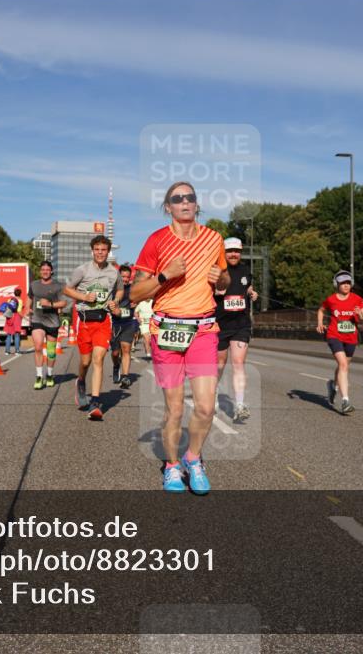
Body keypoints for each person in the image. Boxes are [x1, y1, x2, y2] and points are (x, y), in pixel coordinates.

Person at [131, 181, 229, 494]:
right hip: (168, 330)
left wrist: (221, 277)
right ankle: (172, 466)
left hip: (202, 330)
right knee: (174, 410)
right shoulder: (156, 241)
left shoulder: (214, 239)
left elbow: (224, 279)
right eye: (177, 198)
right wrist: (164, 275)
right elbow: (134, 293)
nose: (185, 202)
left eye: (190, 197)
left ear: (197, 204)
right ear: (168, 207)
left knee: (205, 408)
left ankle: (193, 458)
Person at [63, 236, 123, 420]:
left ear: (108, 251)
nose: (100, 252)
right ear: (92, 250)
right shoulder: (82, 270)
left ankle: (95, 402)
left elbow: (120, 289)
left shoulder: (114, 273)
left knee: (99, 359)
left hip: (103, 320)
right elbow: (67, 289)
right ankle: (81, 381)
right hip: (84, 321)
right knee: (86, 362)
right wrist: (83, 297)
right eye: (97, 249)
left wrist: (115, 301)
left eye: (103, 249)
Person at [214, 237, 258, 423]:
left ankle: (239, 405)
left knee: (238, 363)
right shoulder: (217, 270)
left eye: (237, 251)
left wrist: (251, 293)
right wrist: (215, 293)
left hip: (241, 324)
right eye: (230, 251)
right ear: (224, 252)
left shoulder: (245, 270)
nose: (233, 254)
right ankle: (213, 395)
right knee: (220, 364)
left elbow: (248, 286)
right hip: (220, 325)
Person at [317, 270, 363, 415]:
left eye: (348, 283)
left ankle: (333, 385)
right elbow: (321, 310)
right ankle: (345, 401)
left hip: (351, 338)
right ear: (337, 284)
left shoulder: (357, 299)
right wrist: (320, 323)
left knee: (343, 366)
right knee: (343, 365)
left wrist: (360, 314)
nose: (346, 286)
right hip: (334, 335)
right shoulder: (331, 299)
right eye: (343, 283)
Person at [27, 261, 66, 389]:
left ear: (51, 271)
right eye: (43, 269)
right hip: (37, 319)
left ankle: (49, 375)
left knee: (50, 352)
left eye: (47, 269)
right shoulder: (34, 285)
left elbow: (64, 303)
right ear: (40, 271)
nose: (45, 271)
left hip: (52, 321)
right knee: (38, 346)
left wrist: (50, 304)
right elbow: (29, 298)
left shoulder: (58, 286)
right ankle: (39, 376)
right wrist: (27, 308)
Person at [111, 264, 140, 389]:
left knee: (126, 348)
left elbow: (142, 295)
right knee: (115, 353)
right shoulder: (113, 289)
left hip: (128, 323)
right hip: (115, 324)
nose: (125, 279)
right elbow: (107, 303)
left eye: (127, 277)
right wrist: (113, 309)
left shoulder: (133, 289)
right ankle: (116, 366)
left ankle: (125, 376)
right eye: (123, 276)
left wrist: (137, 302)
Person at [1, 288, 24, 354]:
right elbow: (18, 311)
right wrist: (24, 317)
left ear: (14, 293)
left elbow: (8, 308)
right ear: (20, 294)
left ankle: (7, 351)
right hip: (16, 317)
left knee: (9, 334)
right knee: (16, 335)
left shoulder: (10, 300)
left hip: (9, 317)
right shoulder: (20, 300)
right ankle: (17, 350)